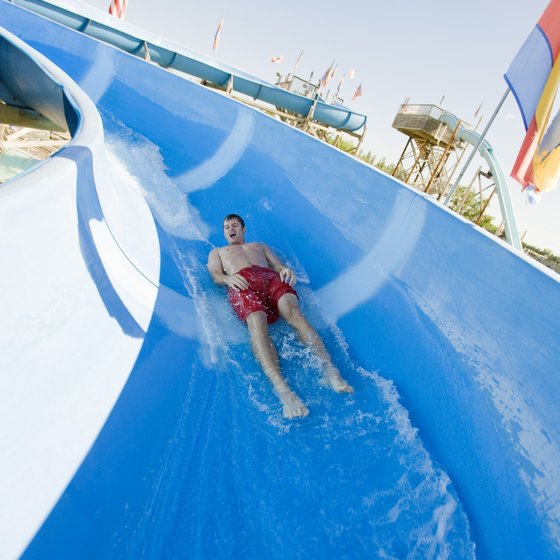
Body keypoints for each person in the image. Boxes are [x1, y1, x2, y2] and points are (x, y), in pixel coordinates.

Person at [207, 213, 353, 419]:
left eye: (234, 225)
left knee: (295, 315)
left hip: (270, 278)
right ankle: (283, 390)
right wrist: (228, 278)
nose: (230, 229)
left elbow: (278, 265)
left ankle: (330, 371)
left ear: (243, 229)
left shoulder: (259, 246)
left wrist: (285, 269)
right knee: (257, 323)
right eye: (225, 227)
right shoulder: (218, 252)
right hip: (242, 282)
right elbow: (215, 275)